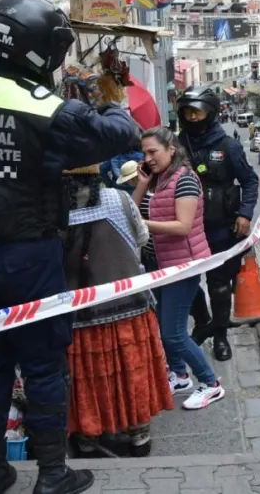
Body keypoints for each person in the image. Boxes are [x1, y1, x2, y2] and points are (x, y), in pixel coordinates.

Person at [0, 0, 141, 494]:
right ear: (39, 52)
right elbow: (120, 134)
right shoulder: (47, 109)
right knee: (44, 366)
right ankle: (51, 473)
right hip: (27, 259)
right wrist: (103, 99)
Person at [62, 166, 172, 458]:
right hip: (129, 306)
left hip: (80, 313)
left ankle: (89, 436)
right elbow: (141, 239)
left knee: (89, 376)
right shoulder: (120, 200)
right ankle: (138, 435)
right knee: (131, 371)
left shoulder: (52, 209)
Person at [133, 127, 225, 410]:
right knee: (164, 326)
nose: (148, 158)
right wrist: (141, 184)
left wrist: (143, 225)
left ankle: (210, 384)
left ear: (171, 148)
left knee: (173, 333)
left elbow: (183, 227)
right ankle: (180, 375)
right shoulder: (158, 180)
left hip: (182, 266)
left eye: (153, 152)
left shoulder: (184, 180)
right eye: (144, 153)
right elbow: (132, 210)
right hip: (161, 264)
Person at [176, 86, 259, 361]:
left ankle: (221, 336)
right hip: (186, 228)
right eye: (188, 112)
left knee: (220, 285)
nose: (193, 117)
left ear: (210, 113)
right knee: (185, 283)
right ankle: (204, 322)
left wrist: (245, 214)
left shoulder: (229, 146)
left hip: (221, 228)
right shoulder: (177, 147)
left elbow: (249, 180)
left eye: (197, 112)